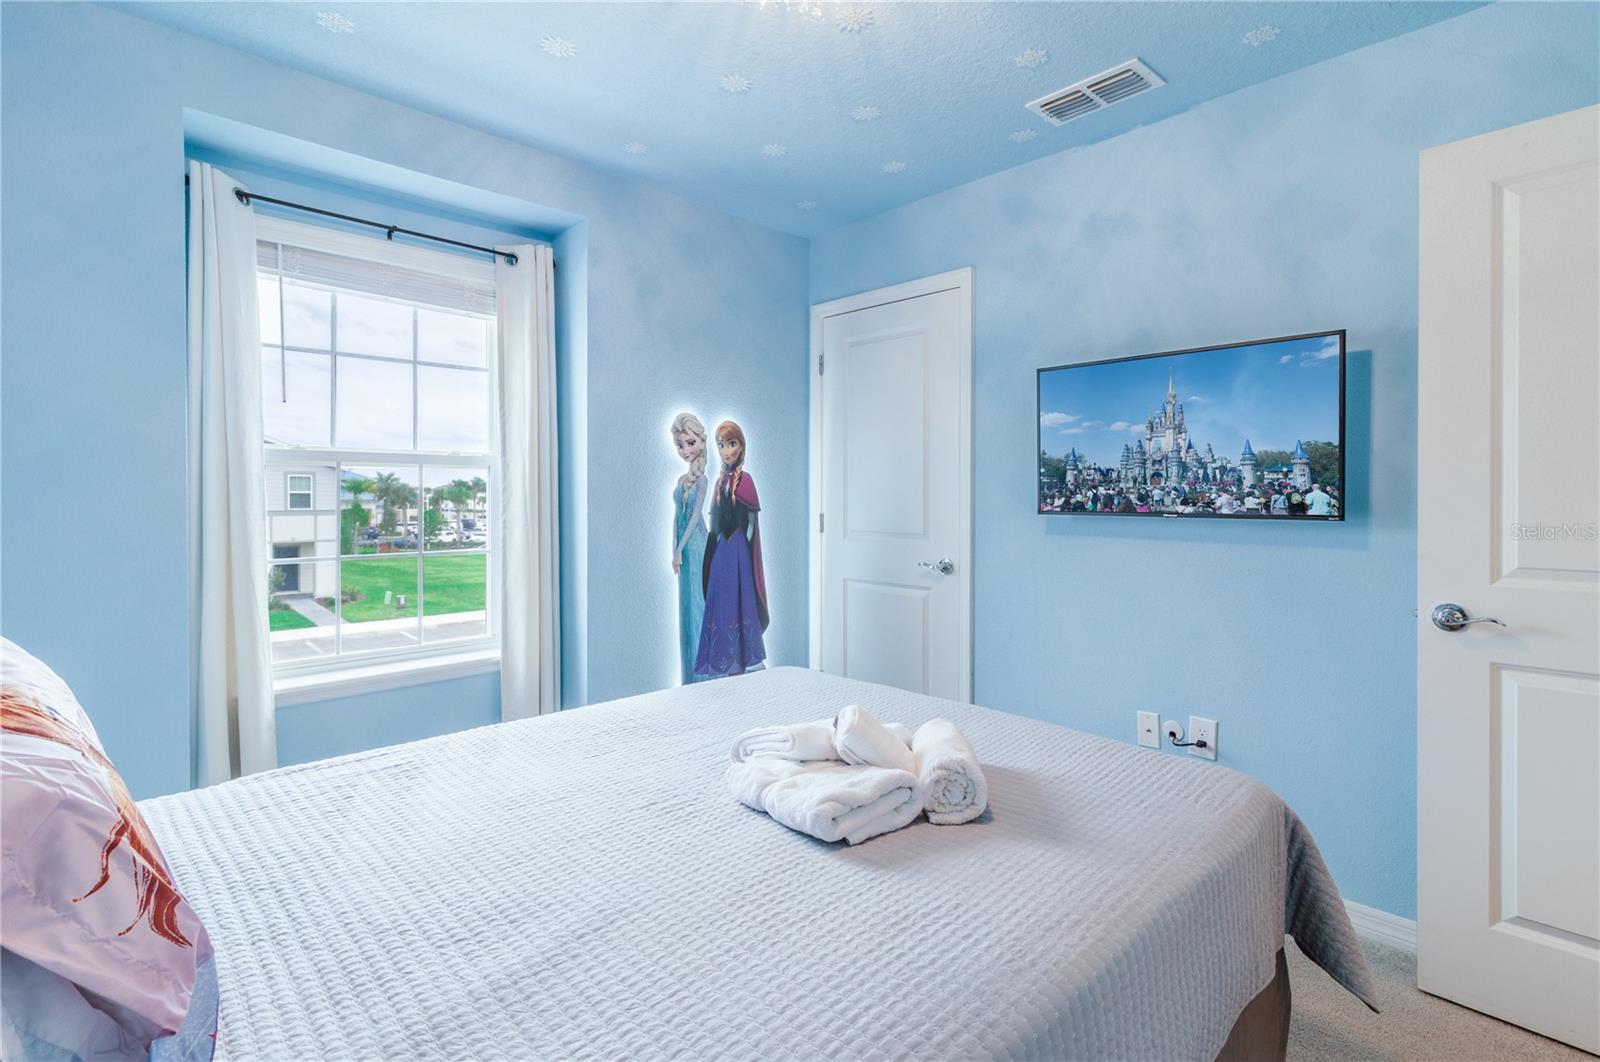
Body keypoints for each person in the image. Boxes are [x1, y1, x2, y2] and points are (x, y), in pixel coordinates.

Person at [696, 421, 769, 679]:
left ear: (741, 447)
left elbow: (751, 523)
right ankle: (725, 660)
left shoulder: (746, 481)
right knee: (723, 603)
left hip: (738, 551)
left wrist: (744, 555)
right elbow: (715, 523)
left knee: (741, 602)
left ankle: (744, 660)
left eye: (732, 444)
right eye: (721, 445)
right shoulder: (719, 483)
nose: (727, 451)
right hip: (721, 553)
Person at [669, 412, 709, 684]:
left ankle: (703, 674)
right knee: (686, 607)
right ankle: (690, 675)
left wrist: (680, 548)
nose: (685, 450)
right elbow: (677, 517)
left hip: (696, 548)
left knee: (697, 605)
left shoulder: (701, 481)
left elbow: (695, 518)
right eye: (680, 445)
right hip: (683, 550)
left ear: (701, 442)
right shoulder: (681, 481)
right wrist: (673, 547)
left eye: (690, 443)